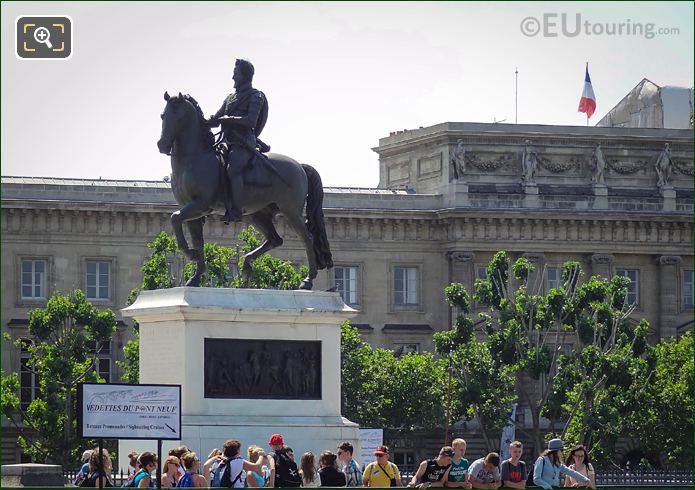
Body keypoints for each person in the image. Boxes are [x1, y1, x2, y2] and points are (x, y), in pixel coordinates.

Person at [207, 58, 269, 224]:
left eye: (236, 74)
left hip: (243, 142)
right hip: (226, 142)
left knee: (233, 169)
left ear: (245, 76)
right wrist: (198, 119)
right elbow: (216, 119)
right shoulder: (230, 98)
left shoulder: (256, 96)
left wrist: (230, 119)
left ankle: (236, 210)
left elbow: (251, 121)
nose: (233, 77)